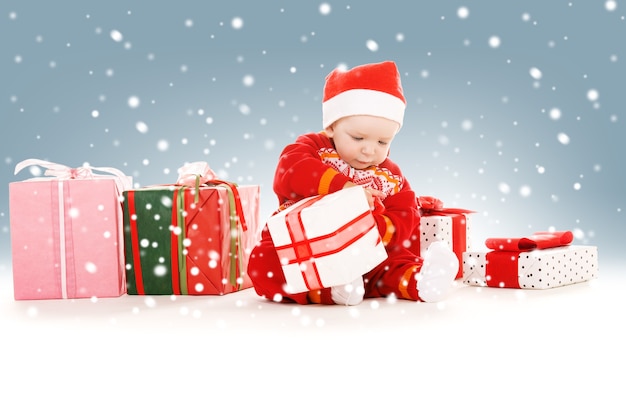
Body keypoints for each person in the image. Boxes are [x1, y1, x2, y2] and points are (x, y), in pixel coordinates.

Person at [247, 60, 458, 305]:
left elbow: (406, 213)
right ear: (332, 126)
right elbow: (291, 170)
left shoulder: (390, 176)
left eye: (382, 142)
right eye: (358, 137)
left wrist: (369, 232)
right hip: (306, 249)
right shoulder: (314, 148)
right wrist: (346, 191)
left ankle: (422, 281)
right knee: (264, 263)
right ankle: (333, 287)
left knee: (391, 264)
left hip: (366, 254)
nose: (369, 150)